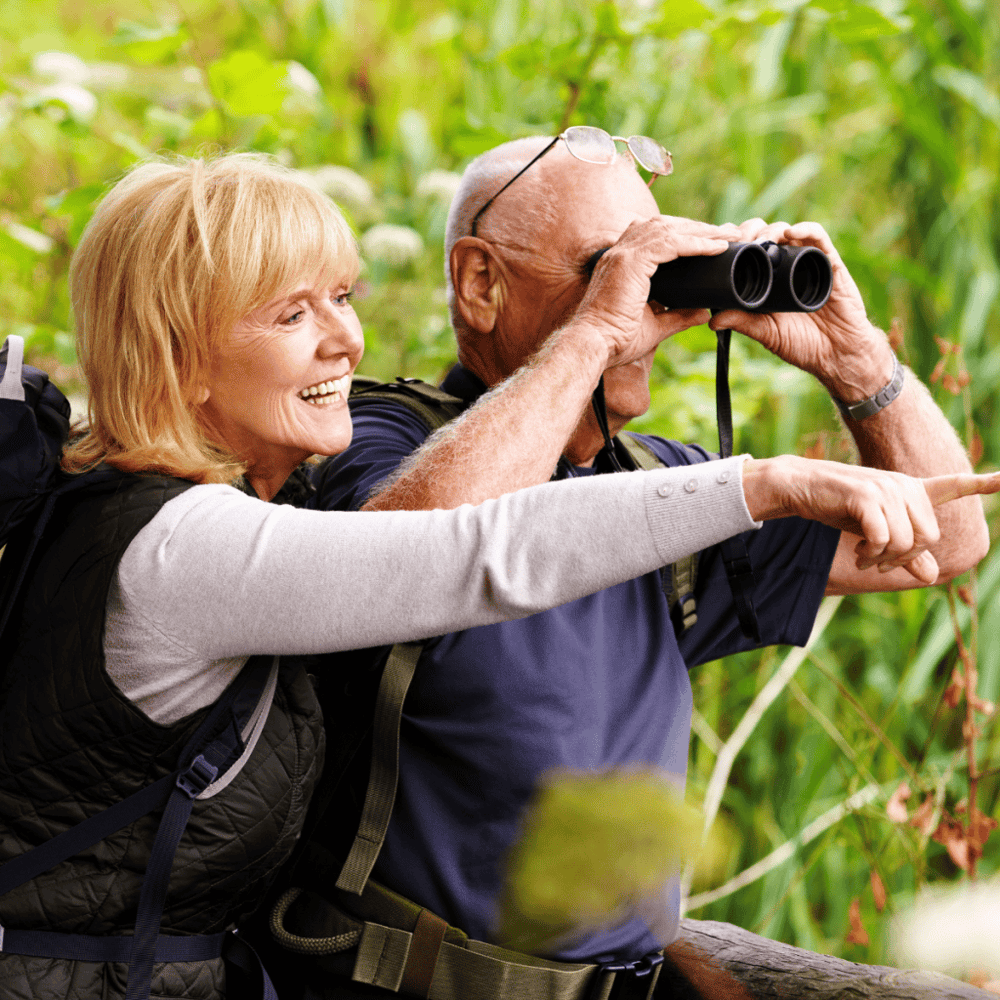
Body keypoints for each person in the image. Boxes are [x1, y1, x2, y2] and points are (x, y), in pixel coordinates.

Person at [0, 152, 816, 1000]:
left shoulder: (122, 501)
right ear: (181, 356)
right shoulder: (183, 547)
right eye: (291, 315)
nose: (345, 339)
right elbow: (467, 553)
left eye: (343, 298)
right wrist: (756, 484)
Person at [290, 132, 994, 999]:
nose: (644, 303)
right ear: (481, 283)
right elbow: (402, 557)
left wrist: (854, 358)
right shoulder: (379, 440)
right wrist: (595, 333)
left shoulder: (667, 489)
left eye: (655, 267)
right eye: (607, 264)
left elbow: (949, 544)